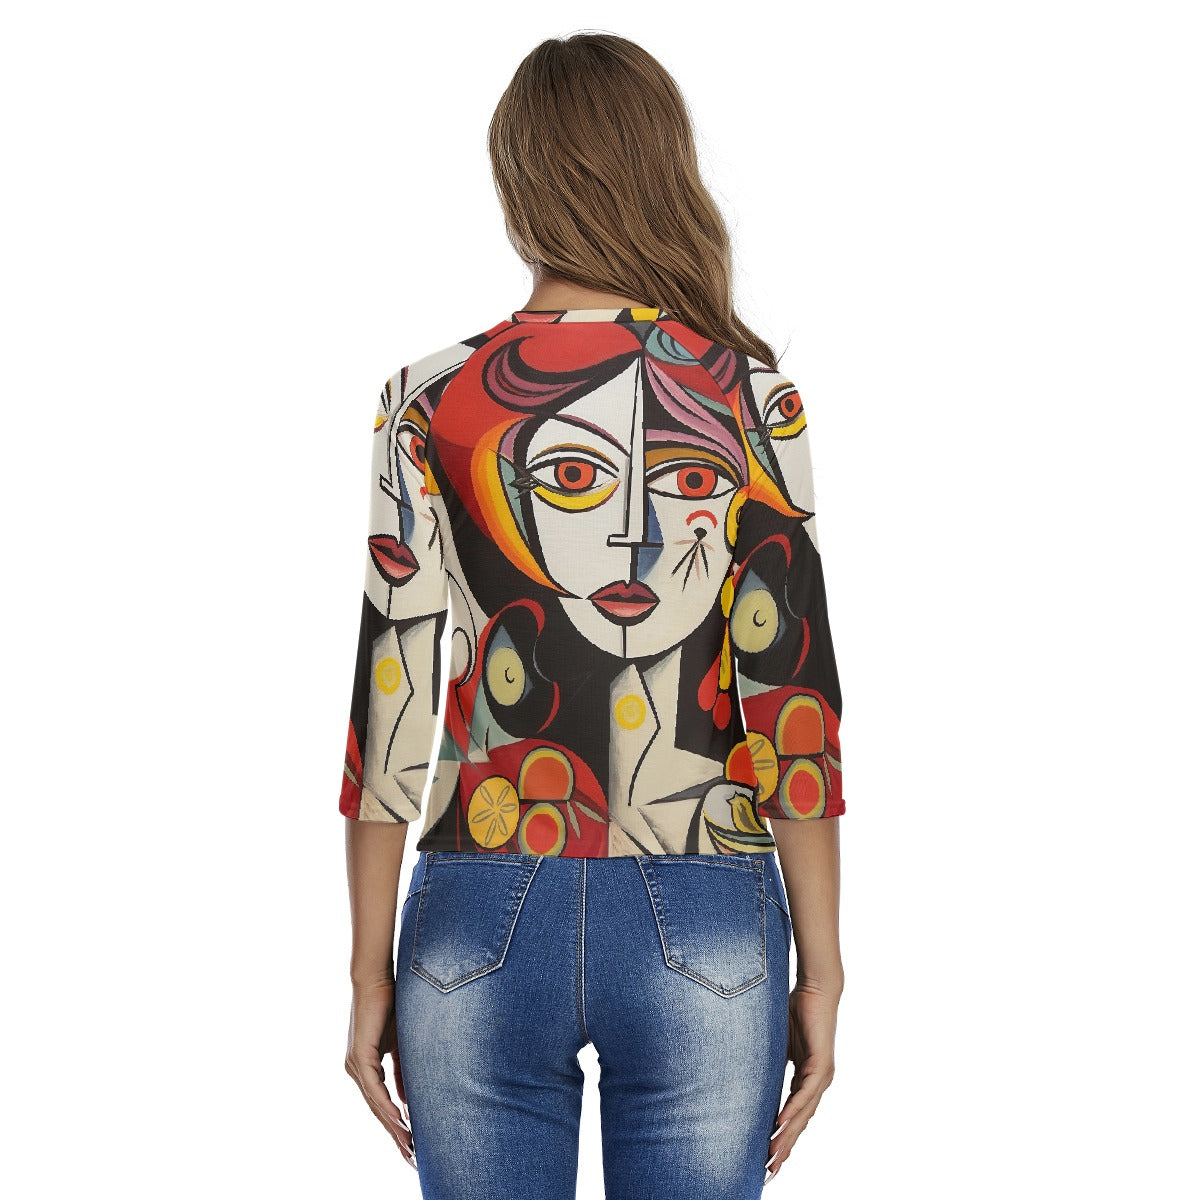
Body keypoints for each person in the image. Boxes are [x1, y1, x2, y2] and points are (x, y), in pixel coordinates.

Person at [341, 32, 845, 1200]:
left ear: (515, 178)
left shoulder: (428, 399)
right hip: (707, 905)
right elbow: (794, 703)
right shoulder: (749, 397)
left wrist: (368, 968)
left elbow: (388, 703)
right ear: (665, 167)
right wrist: (821, 969)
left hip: (475, 903)